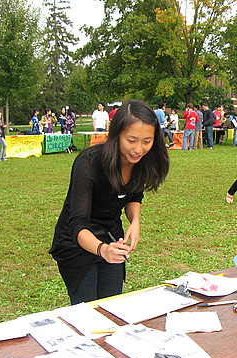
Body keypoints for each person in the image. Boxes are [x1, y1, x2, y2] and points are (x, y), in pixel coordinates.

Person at [49, 99, 170, 304]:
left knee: (112, 307)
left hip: (113, 238)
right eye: (131, 140)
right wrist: (102, 249)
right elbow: (77, 222)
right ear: (117, 135)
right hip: (76, 242)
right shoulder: (89, 163)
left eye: (146, 141)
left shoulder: (142, 162)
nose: (138, 149)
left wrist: (135, 221)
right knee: (87, 312)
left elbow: (134, 195)